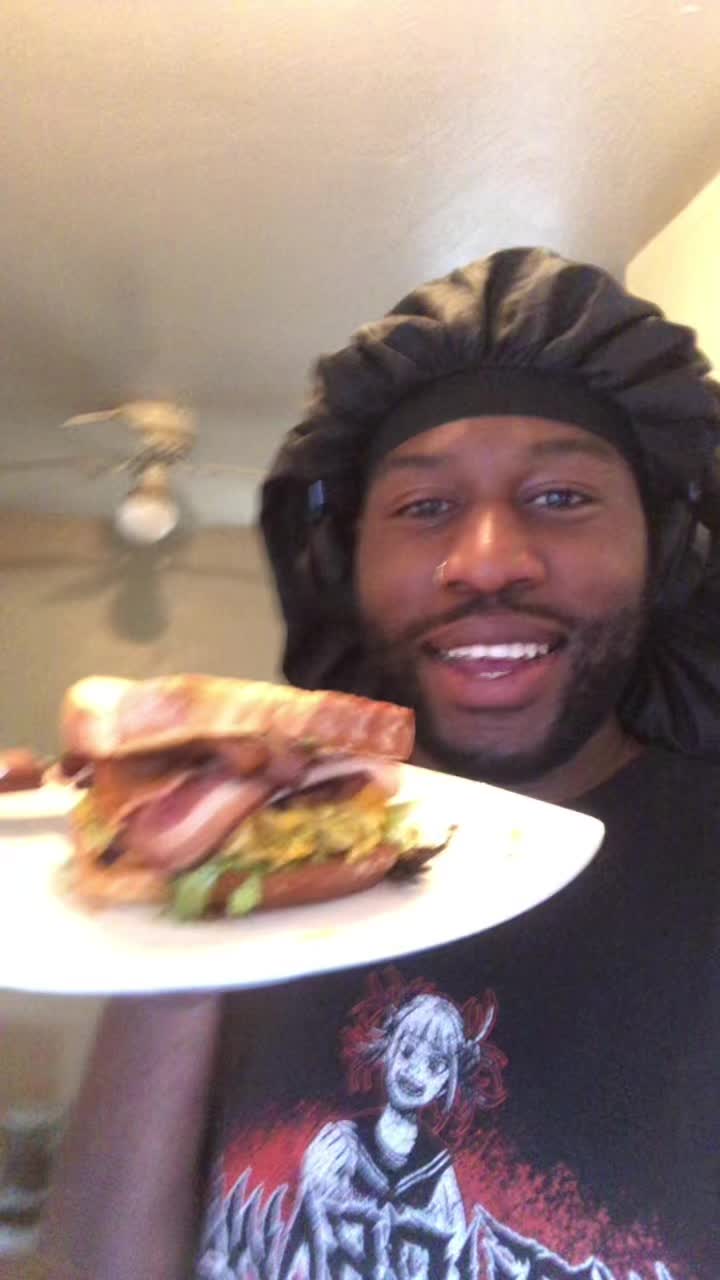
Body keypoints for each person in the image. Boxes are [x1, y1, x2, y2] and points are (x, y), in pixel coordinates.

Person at [41, 248, 720, 1280]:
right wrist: (174, 944)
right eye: (423, 507)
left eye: (561, 495)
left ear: (664, 550)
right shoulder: (250, 854)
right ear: (342, 565)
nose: (486, 560)